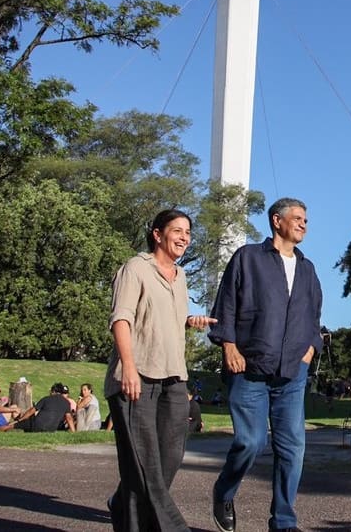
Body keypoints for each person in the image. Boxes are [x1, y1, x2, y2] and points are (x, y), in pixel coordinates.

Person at [209, 197, 323, 532]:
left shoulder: (307, 269)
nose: (303, 224)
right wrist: (229, 345)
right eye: (297, 218)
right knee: (251, 442)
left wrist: (310, 350)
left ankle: (283, 522)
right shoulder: (248, 258)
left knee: (292, 448)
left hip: (292, 373)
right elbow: (226, 304)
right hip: (249, 368)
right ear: (277, 220)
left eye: (305, 220)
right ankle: (223, 492)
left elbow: (314, 316)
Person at [106, 209, 215, 531]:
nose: (184, 237)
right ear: (157, 234)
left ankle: (122, 503)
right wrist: (129, 367)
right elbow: (122, 319)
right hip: (137, 377)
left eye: (188, 232)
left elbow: (162, 319)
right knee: (147, 468)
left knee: (168, 459)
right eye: (177, 230)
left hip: (174, 377)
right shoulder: (135, 269)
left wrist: (189, 321)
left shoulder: (180, 277)